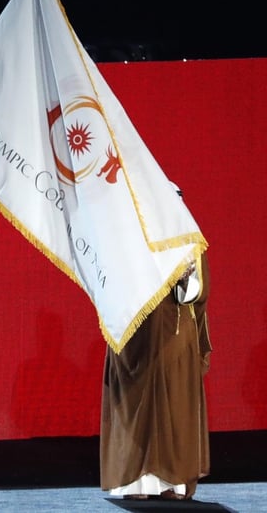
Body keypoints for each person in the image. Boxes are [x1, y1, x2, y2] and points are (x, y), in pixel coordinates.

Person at [100, 186, 212, 500]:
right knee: (137, 406)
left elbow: (197, 294)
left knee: (174, 405)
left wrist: (184, 278)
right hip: (135, 338)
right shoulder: (127, 242)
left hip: (174, 338)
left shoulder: (191, 244)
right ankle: (136, 483)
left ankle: (172, 483)